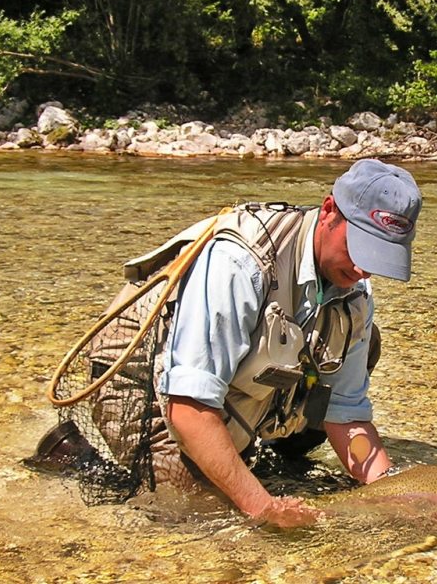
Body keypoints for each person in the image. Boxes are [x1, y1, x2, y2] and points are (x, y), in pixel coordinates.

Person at [159, 158, 422, 527]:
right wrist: (264, 508)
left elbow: (346, 414)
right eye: (359, 248)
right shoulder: (239, 262)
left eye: (379, 257)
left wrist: (394, 494)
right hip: (157, 396)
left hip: (237, 399)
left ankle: (268, 454)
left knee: (364, 340)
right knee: (190, 509)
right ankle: (72, 453)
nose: (363, 270)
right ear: (329, 210)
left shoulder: (356, 291)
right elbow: (187, 410)